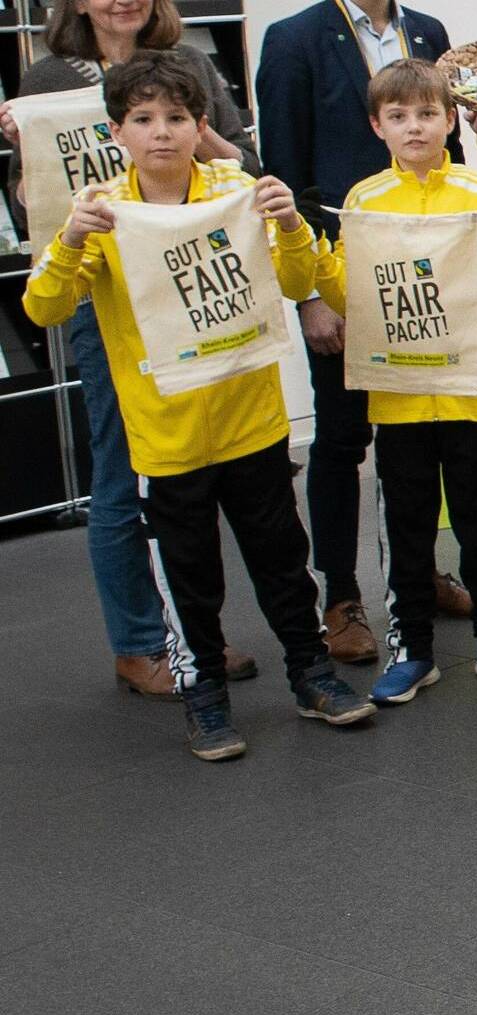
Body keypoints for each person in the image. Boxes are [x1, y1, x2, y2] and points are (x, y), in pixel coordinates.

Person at [23, 52, 375, 759]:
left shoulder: (234, 189)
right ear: (117, 131)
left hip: (252, 418)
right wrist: (67, 242)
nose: (161, 133)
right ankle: (205, 696)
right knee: (189, 576)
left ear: (200, 124)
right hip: (165, 432)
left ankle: (310, 675)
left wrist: (293, 227)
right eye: (144, 119)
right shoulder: (103, 214)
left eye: (176, 118)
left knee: (283, 559)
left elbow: (297, 279)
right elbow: (44, 307)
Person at [0, 0, 259, 699]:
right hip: (107, 295)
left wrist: (191, 130)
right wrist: (28, 146)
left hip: (195, 290)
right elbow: (32, 205)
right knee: (123, 472)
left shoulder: (191, 64)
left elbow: (246, 162)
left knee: (200, 477)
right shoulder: (50, 76)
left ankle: (194, 634)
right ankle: (141, 643)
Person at [311, 60, 477, 705]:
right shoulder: (364, 201)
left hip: (471, 396)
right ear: (376, 125)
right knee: (406, 529)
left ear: (449, 119)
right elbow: (349, 296)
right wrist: (314, 249)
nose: (413, 127)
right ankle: (412, 648)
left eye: (426, 114)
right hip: (398, 403)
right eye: (398, 116)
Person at [257, 0, 467, 666]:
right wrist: (312, 296)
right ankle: (341, 597)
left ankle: (420, 572)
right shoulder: (293, 40)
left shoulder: (428, 32)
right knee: (344, 437)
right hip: (344, 276)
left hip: (430, 279)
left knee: (422, 435)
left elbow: (452, 153)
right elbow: (284, 176)